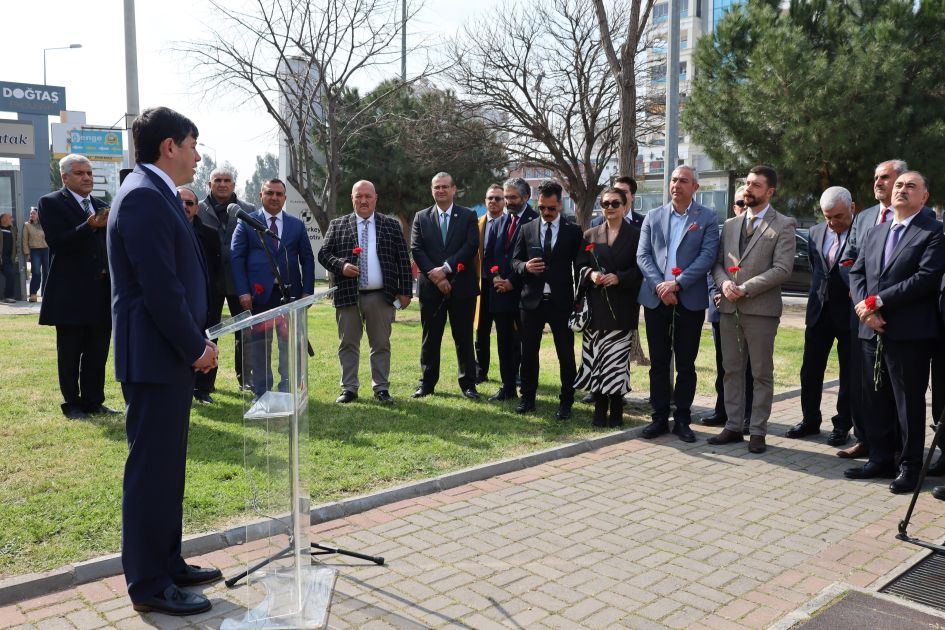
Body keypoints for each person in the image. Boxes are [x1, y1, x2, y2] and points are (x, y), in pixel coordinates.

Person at [107, 106, 221, 616]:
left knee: (168, 468)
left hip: (166, 356)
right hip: (155, 358)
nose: (197, 156)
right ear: (169, 146)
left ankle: (168, 562)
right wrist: (194, 348)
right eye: (192, 145)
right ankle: (149, 584)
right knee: (151, 471)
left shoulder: (158, 193)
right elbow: (159, 288)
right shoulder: (142, 197)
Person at [845, 171, 945, 494]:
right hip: (870, 328)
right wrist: (865, 307)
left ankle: (910, 466)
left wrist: (879, 301)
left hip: (909, 332)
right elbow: (857, 272)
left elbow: (926, 277)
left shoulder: (933, 232)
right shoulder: (876, 231)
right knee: (875, 398)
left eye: (911, 186)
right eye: (899, 185)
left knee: (907, 403)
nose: (902, 190)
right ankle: (879, 458)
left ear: (924, 197)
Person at [709, 165, 796, 454]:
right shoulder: (731, 224)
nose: (748, 188)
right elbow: (718, 263)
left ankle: (758, 430)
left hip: (761, 310)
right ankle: (733, 426)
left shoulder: (783, 224)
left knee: (761, 373)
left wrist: (745, 288)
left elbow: (782, 269)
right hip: (729, 308)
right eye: (747, 183)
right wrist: (724, 284)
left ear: (770, 191)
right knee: (731, 370)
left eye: (756, 185)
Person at [636, 165, 719, 442]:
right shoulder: (653, 216)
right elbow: (643, 256)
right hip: (656, 299)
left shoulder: (707, 218)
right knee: (659, 363)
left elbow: (707, 256)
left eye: (683, 181)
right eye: (673, 180)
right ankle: (659, 417)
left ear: (695, 187)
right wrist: (661, 286)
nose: (676, 185)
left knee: (685, 363)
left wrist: (678, 284)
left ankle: (682, 418)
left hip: (689, 300)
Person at [838, 159, 909, 460]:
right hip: (863, 315)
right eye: (876, 177)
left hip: (898, 316)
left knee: (896, 388)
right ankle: (866, 440)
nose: (878, 182)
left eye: (885, 177)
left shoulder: (920, 219)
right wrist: (865, 305)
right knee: (863, 383)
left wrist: (880, 303)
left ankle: (899, 449)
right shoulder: (865, 217)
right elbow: (849, 261)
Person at [38, 154, 119, 419]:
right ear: (65, 177)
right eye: (80, 173)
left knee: (97, 351)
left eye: (89, 173)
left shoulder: (101, 205)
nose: (87, 178)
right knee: (70, 352)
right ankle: (72, 404)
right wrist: (88, 225)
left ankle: (94, 401)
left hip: (101, 291)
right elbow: (57, 242)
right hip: (70, 294)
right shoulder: (51, 203)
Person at [317, 180, 412, 404]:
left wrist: (405, 291)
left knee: (380, 343)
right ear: (352, 199)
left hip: (381, 295)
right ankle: (349, 388)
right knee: (348, 343)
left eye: (368, 196)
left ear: (375, 199)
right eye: (358, 196)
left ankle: (381, 388)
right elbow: (323, 254)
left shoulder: (391, 225)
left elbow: (403, 260)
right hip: (348, 294)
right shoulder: (338, 225)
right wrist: (341, 266)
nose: (363, 200)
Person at [231, 178, 315, 397]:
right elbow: (237, 258)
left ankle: (288, 388)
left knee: (289, 344)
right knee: (261, 345)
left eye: (279, 194)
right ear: (261, 195)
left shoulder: (296, 225)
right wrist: (243, 291)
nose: (274, 197)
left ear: (285, 198)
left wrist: (307, 291)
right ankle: (263, 391)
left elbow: (307, 259)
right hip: (259, 297)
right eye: (269, 193)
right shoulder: (247, 222)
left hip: (290, 295)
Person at [787, 187, 854, 446]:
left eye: (839, 216)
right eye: (828, 217)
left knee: (848, 374)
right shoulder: (815, 232)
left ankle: (842, 425)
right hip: (819, 311)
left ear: (852, 208)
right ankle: (810, 420)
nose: (833, 223)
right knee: (810, 370)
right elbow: (818, 269)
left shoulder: (862, 233)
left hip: (848, 313)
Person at [512, 179, 582, 419]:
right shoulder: (527, 228)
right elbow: (514, 261)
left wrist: (580, 298)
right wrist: (525, 267)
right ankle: (527, 399)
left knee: (566, 354)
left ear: (560, 205)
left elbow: (580, 265)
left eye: (551, 208)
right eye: (542, 207)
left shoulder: (573, 231)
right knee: (528, 354)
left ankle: (566, 402)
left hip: (561, 302)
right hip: (531, 301)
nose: (546, 212)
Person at [575, 187, 641, 427]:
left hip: (623, 306)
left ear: (625, 206)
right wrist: (590, 274)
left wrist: (620, 278)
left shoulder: (636, 235)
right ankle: (599, 409)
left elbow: (642, 269)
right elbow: (579, 265)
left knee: (617, 361)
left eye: (615, 203)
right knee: (598, 359)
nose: (610, 208)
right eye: (605, 204)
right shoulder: (590, 234)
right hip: (597, 307)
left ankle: (616, 411)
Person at [410, 172, 481, 400]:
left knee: (464, 338)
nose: (440, 190)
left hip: (462, 287)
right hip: (431, 288)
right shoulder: (421, 217)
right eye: (436, 187)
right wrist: (437, 277)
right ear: (432, 190)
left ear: (453, 189)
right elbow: (416, 249)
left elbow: (471, 245)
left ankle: (468, 384)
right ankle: (427, 383)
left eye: (444, 187)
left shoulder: (468, 215)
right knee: (430, 338)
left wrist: (446, 268)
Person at [196, 166, 256, 389]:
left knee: (245, 333)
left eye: (227, 180)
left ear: (233, 185)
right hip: (207, 284)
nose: (222, 184)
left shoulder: (247, 210)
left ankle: (247, 381)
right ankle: (204, 385)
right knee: (208, 333)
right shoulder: (196, 209)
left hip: (239, 283)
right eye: (218, 180)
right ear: (209, 184)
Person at [702, 188, 753, 431]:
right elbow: (714, 264)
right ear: (734, 207)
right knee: (724, 363)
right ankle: (722, 411)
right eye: (740, 203)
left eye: (748, 202)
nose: (744, 206)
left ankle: (748, 415)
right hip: (722, 307)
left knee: (750, 366)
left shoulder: (763, 232)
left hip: (751, 309)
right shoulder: (725, 231)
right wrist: (716, 292)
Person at [487, 178, 538, 401]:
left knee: (526, 346)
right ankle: (507, 387)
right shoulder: (499, 222)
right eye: (506, 197)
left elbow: (533, 258)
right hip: (500, 294)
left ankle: (527, 390)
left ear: (526, 197)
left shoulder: (535, 221)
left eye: (512, 197)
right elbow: (489, 256)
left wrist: (512, 282)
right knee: (504, 343)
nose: (508, 202)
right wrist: (496, 278)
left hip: (524, 294)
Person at [181, 185, 223, 404]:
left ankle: (204, 388)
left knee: (208, 339)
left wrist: (214, 298)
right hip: (179, 299)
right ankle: (182, 387)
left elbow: (217, 269)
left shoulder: (210, 233)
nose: (184, 206)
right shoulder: (163, 230)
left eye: (189, 203)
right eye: (179, 202)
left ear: (197, 208)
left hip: (206, 299)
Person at [475, 184, 506, 385]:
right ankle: (481, 371)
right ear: (485, 201)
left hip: (504, 285)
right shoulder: (476, 224)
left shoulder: (511, 224)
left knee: (508, 332)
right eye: (490, 198)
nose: (493, 201)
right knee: (481, 330)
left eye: (498, 198)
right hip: (482, 284)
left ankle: (512, 373)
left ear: (504, 201)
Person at [22, 207, 48, 302]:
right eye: (31, 213)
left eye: (34, 213)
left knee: (47, 272)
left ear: (39, 215)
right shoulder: (27, 225)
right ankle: (33, 294)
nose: (31, 215)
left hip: (46, 250)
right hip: (34, 251)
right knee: (36, 273)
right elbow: (24, 240)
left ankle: (45, 293)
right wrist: (27, 253)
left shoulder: (45, 224)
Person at [0, 213, 16, 303]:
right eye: (10, 218)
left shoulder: (12, 230)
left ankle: (8, 296)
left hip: (8, 258)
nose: (12, 219)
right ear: (3, 219)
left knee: (11, 273)